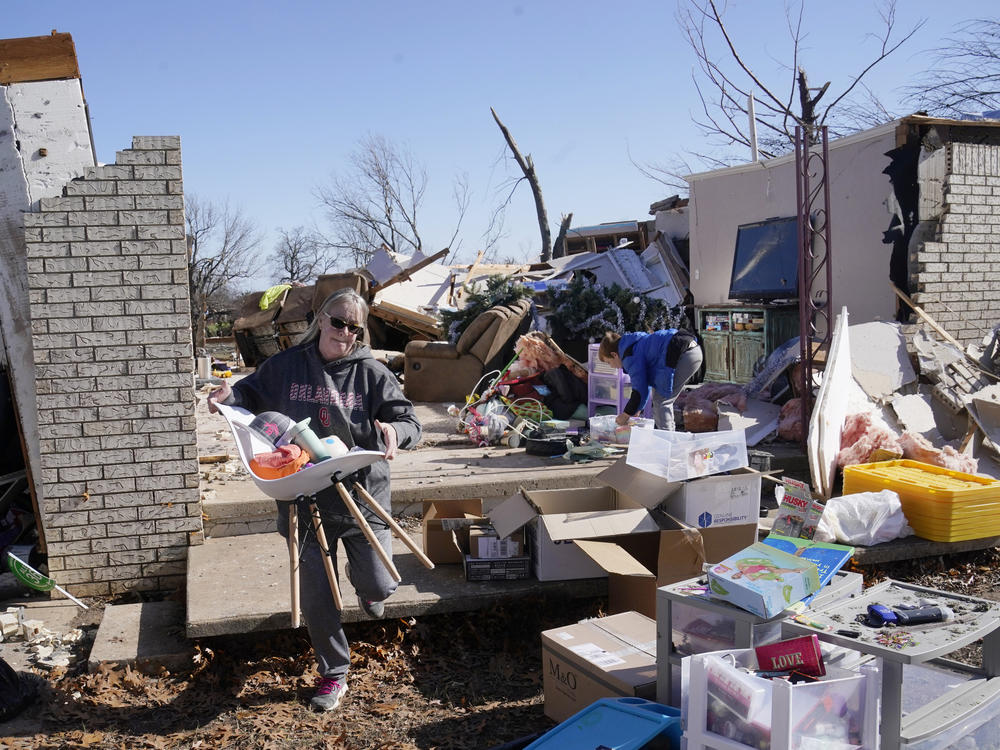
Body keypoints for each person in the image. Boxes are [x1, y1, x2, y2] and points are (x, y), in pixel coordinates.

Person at [207, 287, 421, 712]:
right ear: (322, 319)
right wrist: (227, 397)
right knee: (318, 596)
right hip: (303, 497)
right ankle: (333, 674)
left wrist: (398, 433)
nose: (344, 333)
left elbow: (407, 419)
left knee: (380, 582)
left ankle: (371, 592)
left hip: (362, 494)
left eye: (353, 328)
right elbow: (248, 395)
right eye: (338, 322)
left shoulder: (372, 373)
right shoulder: (286, 366)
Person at [597, 328, 703, 431]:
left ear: (614, 355)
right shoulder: (632, 344)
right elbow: (644, 384)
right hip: (692, 349)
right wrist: (637, 408)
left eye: (608, 362)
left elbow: (639, 389)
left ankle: (667, 442)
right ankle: (668, 436)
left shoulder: (629, 356)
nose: (611, 366)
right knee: (661, 398)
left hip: (684, 354)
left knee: (661, 400)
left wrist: (626, 414)